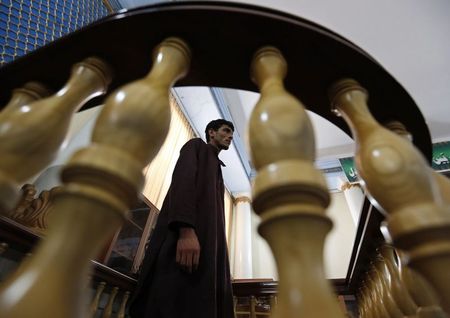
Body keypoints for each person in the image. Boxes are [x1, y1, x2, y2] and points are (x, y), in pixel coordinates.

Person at [129, 119, 235, 318]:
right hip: (185, 242)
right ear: (212, 133)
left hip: (205, 247)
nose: (230, 136)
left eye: (232, 133)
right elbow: (182, 184)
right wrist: (186, 231)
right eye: (226, 131)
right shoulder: (196, 146)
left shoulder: (217, 167)